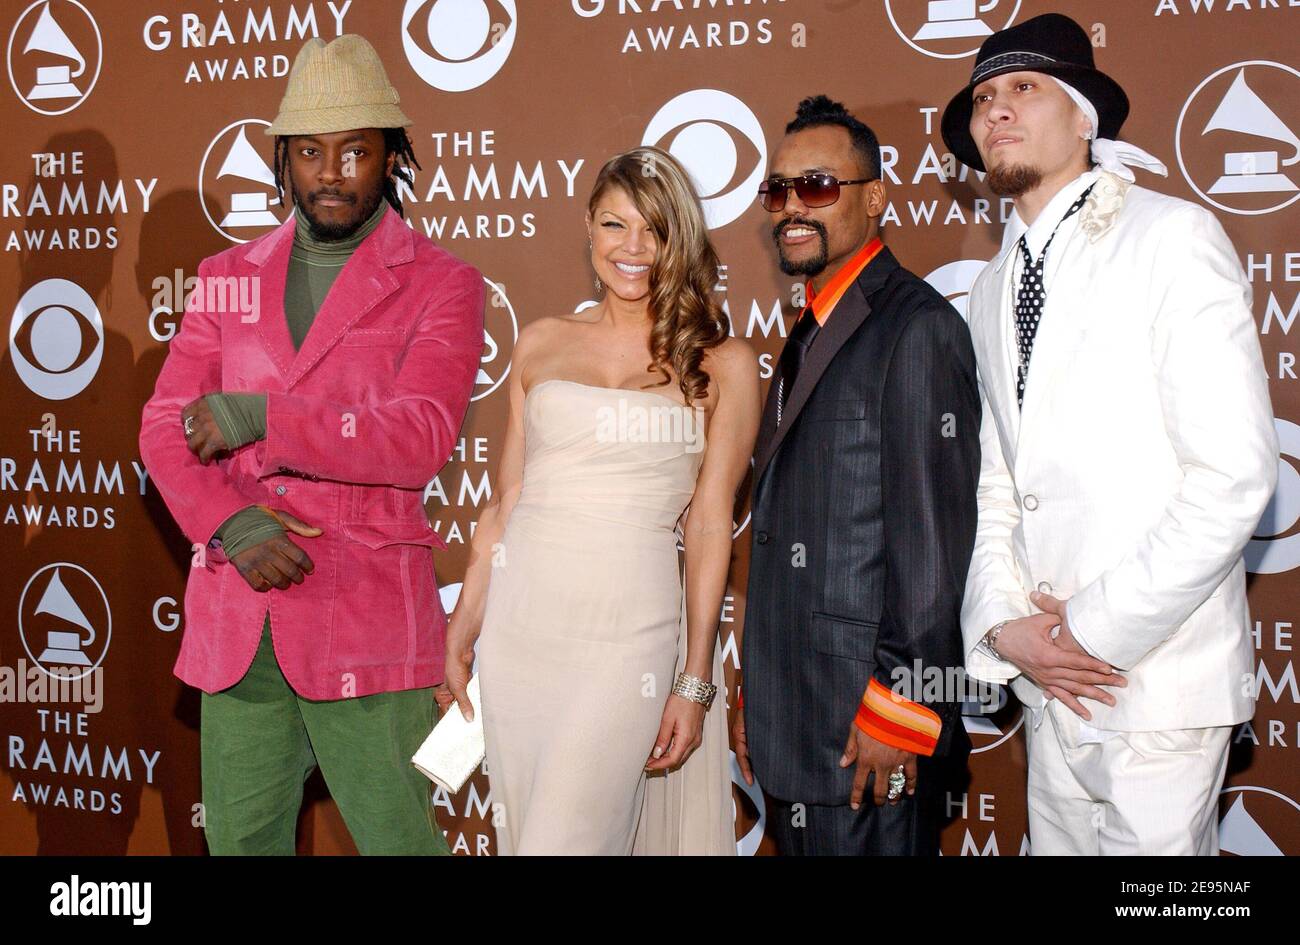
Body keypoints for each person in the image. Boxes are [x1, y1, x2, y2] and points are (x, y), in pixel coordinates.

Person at [138, 35, 485, 855]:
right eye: (309, 153)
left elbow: (418, 438)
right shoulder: (227, 273)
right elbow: (164, 426)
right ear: (282, 162)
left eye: (355, 150)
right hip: (240, 616)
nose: (331, 172)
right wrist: (233, 524)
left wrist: (267, 415)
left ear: (392, 157)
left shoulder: (443, 281)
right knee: (241, 843)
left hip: (365, 611)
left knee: (399, 839)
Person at [944, 13, 1277, 855]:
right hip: (1050, 688)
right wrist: (1002, 626)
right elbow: (995, 481)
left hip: (1157, 679)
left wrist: (1089, 631)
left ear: (1085, 114)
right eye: (984, 97)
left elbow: (1234, 476)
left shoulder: (1171, 238)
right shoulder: (988, 290)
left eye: (1024, 88)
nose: (997, 112)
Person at [442, 146, 758, 855]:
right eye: (615, 225)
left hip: (629, 638)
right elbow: (507, 499)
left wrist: (695, 678)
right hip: (522, 632)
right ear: (588, 227)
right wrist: (466, 616)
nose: (634, 248)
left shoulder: (722, 364)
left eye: (655, 229)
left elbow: (711, 524)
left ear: (682, 239)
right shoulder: (542, 343)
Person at [733, 96, 980, 856]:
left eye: (816, 186)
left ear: (874, 197)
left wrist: (898, 710)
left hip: (866, 740)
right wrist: (757, 691)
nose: (789, 208)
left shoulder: (917, 328)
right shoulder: (811, 327)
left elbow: (935, 552)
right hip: (800, 724)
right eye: (778, 190)